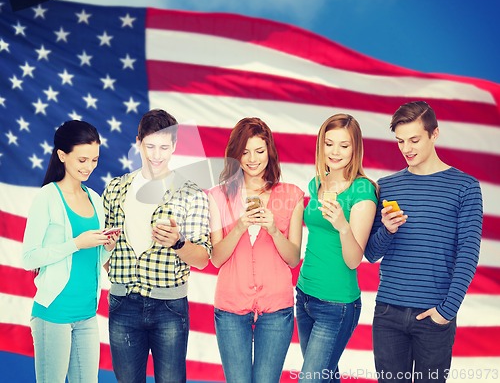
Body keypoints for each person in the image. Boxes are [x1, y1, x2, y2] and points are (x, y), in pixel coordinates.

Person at [364, 101, 483, 383]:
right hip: (388, 313)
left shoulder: (465, 187)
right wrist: (387, 231)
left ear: (435, 134)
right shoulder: (387, 186)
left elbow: (467, 254)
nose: (407, 148)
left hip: (434, 315)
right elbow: (370, 253)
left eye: (414, 139)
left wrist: (446, 312)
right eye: (400, 141)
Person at [103, 108, 211, 383]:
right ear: (138, 142)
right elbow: (104, 246)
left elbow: (201, 258)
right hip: (123, 303)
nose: (156, 155)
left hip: (169, 308)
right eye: (150, 146)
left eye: (164, 147)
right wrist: (114, 267)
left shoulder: (191, 193)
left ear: (174, 146)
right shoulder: (116, 189)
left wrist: (178, 242)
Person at [208, 117, 304, 383]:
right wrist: (239, 227)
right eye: (245, 151)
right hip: (230, 308)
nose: (252, 159)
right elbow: (216, 258)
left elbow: (293, 258)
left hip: (276, 309)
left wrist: (273, 230)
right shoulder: (218, 196)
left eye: (259, 151)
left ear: (269, 152)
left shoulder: (292, 195)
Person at [22, 120, 118, 383]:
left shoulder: (96, 199)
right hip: (53, 314)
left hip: (87, 314)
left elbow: (93, 260)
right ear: (62, 156)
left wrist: (107, 248)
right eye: (82, 160)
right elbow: (29, 257)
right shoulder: (47, 197)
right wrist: (76, 243)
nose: (89, 167)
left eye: (95, 160)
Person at [296, 113, 377, 382]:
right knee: (325, 376)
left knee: (311, 378)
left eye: (344, 145)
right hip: (305, 295)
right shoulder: (316, 182)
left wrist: (343, 225)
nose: (335, 151)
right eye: (329, 143)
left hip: (337, 304)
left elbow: (354, 260)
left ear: (355, 149)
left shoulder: (362, 191)